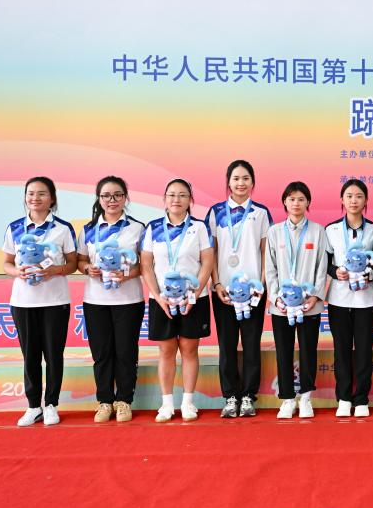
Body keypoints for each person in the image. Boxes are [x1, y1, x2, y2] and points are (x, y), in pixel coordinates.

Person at [3, 177, 77, 426]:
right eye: (31, 193)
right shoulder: (15, 227)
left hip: (55, 301)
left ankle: (51, 404)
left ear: (52, 198)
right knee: (30, 356)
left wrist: (54, 270)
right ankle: (33, 406)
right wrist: (18, 272)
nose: (35, 198)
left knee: (54, 354)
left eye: (42, 193)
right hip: (23, 302)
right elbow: (6, 263)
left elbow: (73, 263)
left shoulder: (63, 228)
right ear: (25, 197)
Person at [140, 179, 214, 423]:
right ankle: (167, 404)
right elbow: (146, 265)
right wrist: (157, 296)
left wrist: (195, 294)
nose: (176, 199)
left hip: (194, 299)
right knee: (166, 350)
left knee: (190, 350)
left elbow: (207, 262)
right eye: (172, 194)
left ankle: (188, 402)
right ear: (164, 199)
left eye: (182, 195)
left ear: (190, 200)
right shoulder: (153, 228)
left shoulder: (199, 227)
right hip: (162, 299)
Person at [77, 176, 146, 423]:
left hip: (129, 300)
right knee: (102, 353)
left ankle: (124, 400)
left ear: (125, 198)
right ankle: (105, 401)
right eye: (106, 195)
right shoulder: (88, 229)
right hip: (95, 300)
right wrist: (88, 269)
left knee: (126, 352)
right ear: (99, 199)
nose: (112, 200)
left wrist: (128, 275)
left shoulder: (138, 228)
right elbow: (80, 261)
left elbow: (146, 264)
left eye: (117, 195)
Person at [207, 160, 272, 418]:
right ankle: (230, 396)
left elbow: (266, 251)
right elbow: (211, 252)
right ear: (228, 182)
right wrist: (217, 284)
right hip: (224, 291)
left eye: (245, 178)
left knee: (251, 343)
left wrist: (262, 284)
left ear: (252, 182)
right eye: (236, 178)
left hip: (253, 291)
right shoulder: (216, 212)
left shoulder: (260, 213)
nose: (241, 183)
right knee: (227, 344)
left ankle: (248, 396)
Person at [265, 182, 328, 419]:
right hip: (282, 306)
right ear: (285, 202)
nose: (296, 203)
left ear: (308, 202)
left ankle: (306, 398)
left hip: (309, 305)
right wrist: (275, 298)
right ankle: (287, 399)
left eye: (301, 199)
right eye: (292, 199)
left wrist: (315, 296)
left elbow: (322, 266)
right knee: (283, 351)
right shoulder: (274, 232)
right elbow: (270, 268)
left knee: (308, 351)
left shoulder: (318, 231)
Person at [324, 179, 373, 418]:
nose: (354, 200)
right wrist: (335, 271)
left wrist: (370, 274)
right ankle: (344, 397)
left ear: (366, 200)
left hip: (366, 298)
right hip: (339, 298)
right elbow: (325, 262)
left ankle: (361, 399)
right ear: (342, 199)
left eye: (359, 196)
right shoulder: (331, 230)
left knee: (364, 350)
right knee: (342, 350)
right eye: (349, 196)